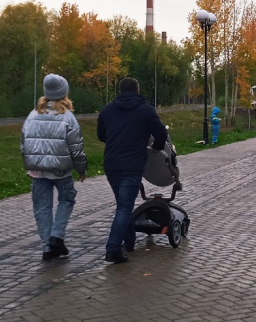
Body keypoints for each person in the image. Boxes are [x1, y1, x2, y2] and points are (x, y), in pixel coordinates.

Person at [97, 77, 168, 264]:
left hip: (112, 163)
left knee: (122, 203)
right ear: (137, 90)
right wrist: (156, 148)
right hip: (133, 164)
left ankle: (129, 240)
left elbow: (101, 135)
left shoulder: (107, 110)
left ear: (119, 91)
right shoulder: (145, 110)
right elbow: (161, 133)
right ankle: (113, 248)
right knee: (124, 206)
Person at [21, 74, 88, 261]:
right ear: (63, 93)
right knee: (67, 199)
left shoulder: (32, 115)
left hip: (38, 170)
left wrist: (29, 165)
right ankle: (57, 235)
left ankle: (47, 247)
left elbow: (23, 143)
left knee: (42, 207)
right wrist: (81, 168)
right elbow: (76, 147)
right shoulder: (68, 117)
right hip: (61, 169)